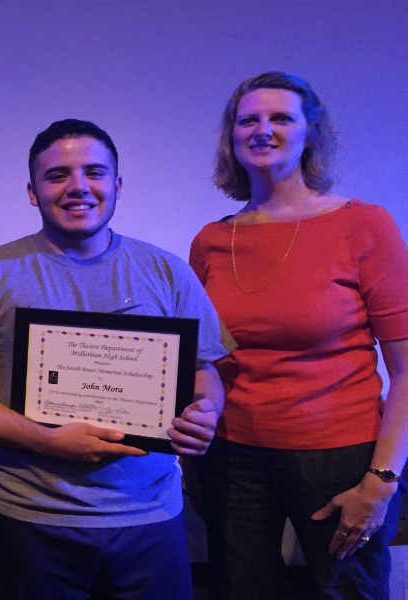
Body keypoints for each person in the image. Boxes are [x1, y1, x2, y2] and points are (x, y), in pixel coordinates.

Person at [0, 119, 229, 599]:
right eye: (57, 175)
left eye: (95, 173)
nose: (78, 186)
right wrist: (46, 441)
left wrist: (207, 411)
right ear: (32, 191)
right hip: (28, 515)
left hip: (148, 515)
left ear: (117, 185)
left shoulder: (167, 272)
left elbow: (204, 370)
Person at [189, 71, 408, 599]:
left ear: (310, 133)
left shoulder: (364, 226)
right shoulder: (212, 241)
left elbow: (406, 371)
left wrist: (381, 481)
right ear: (232, 137)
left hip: (340, 457)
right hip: (232, 456)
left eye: (281, 118)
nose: (263, 130)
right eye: (249, 120)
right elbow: (201, 363)